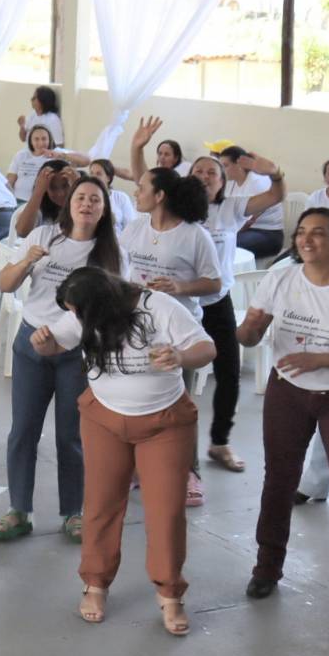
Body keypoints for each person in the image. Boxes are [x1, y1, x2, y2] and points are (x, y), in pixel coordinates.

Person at [33, 267, 215, 635]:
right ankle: (95, 583)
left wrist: (180, 356)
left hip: (164, 422)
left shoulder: (158, 307)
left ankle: (170, 593)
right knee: (101, 504)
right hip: (104, 419)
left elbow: (206, 348)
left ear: (103, 305)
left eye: (79, 313)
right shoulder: (83, 312)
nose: (76, 319)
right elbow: (56, 345)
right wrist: (42, 344)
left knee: (165, 511)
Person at [238, 208, 329, 615]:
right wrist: (246, 331)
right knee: (278, 481)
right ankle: (266, 568)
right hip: (288, 392)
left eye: (318, 233)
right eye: (301, 232)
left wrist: (319, 360)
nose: (306, 240)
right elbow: (251, 331)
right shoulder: (280, 278)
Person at [0, 175, 122, 544]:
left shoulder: (111, 253)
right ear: (69, 203)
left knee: (71, 435)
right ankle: (19, 509)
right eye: (81, 197)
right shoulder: (43, 236)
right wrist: (26, 262)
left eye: (95, 199)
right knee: (23, 430)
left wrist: (68, 337)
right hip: (31, 344)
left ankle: (73, 512)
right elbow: (5, 284)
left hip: (77, 352)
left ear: (104, 209)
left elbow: (113, 309)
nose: (86, 204)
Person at [119, 166, 221, 505]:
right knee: (137, 397)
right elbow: (120, 269)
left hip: (177, 331)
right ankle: (137, 468)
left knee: (179, 406)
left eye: (142, 187)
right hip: (137, 326)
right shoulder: (135, 228)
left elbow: (214, 282)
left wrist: (180, 286)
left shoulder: (194, 235)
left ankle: (189, 472)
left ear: (160, 195)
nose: (136, 192)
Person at [181, 152, 287, 474]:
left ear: (222, 181)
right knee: (177, 376)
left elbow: (274, 196)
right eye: (198, 170)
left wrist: (276, 174)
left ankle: (219, 442)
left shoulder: (231, 207)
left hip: (216, 302)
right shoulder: (175, 209)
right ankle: (175, 449)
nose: (204, 176)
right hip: (181, 303)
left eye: (211, 172)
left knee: (228, 372)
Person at [216, 145, 286, 257]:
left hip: (267, 234)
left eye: (225, 166)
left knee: (224, 243)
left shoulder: (257, 182)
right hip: (243, 230)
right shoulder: (230, 182)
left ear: (240, 165)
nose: (221, 171)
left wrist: (222, 234)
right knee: (215, 240)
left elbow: (249, 221)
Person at [87, 159, 136, 232]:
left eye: (98, 174)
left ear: (108, 178)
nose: (94, 177)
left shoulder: (121, 197)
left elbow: (131, 226)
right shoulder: (85, 198)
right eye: (91, 173)